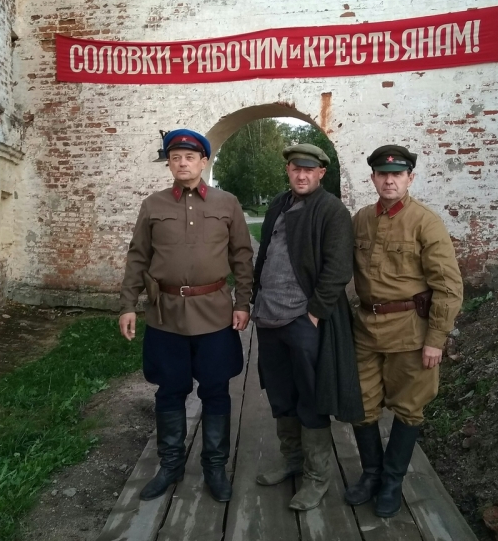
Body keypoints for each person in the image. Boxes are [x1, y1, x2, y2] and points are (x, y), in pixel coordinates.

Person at [118, 129, 253, 503]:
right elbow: (138, 257)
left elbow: (242, 257)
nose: (182, 163)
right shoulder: (153, 205)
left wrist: (243, 303)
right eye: (175, 157)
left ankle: (215, 467)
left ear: (203, 161)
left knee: (216, 390)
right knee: (169, 390)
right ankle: (170, 465)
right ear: (169, 163)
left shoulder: (227, 203)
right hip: (166, 316)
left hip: (215, 315)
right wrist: (127, 304)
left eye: (190, 157)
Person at [345, 144, 463, 518]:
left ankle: (392, 481)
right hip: (366, 329)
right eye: (383, 174)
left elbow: (448, 286)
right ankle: (372, 474)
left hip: (410, 332)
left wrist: (436, 340)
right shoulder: (361, 219)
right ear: (373, 178)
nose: (389, 181)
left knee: (410, 408)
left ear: (410, 178)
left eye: (397, 174)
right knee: (361, 404)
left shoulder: (425, 222)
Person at [252, 143, 363, 511]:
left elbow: (338, 268)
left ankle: (317, 476)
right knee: (280, 393)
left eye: (309, 170)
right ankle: (292, 460)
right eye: (296, 169)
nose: (301, 175)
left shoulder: (331, 210)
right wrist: (253, 297)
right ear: (288, 170)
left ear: (321, 173)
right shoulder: (278, 205)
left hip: (303, 320)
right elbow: (265, 253)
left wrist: (314, 314)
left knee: (311, 395)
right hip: (268, 317)